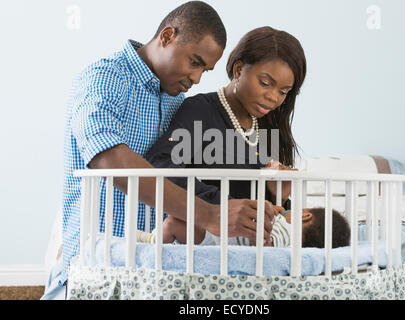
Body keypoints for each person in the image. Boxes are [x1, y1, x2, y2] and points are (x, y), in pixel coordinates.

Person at [42, 1, 276, 300]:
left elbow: (191, 177)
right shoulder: (104, 78)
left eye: (205, 70)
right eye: (194, 62)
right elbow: (110, 161)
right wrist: (209, 214)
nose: (197, 79)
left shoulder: (178, 103)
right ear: (166, 37)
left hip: (152, 273)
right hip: (96, 266)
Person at [144, 26, 308, 247]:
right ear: (239, 70)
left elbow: (273, 217)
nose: (273, 98)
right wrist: (222, 207)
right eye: (265, 83)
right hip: (201, 247)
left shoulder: (269, 127)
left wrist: (279, 196)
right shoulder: (201, 111)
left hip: (248, 252)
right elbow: (160, 165)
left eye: (283, 91)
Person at [137, 207, 351, 249]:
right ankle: (157, 238)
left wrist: (265, 214)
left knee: (173, 223)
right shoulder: (290, 238)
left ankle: (152, 243)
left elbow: (267, 241)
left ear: (305, 216)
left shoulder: (287, 228)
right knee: (176, 223)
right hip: (218, 235)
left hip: (218, 238)